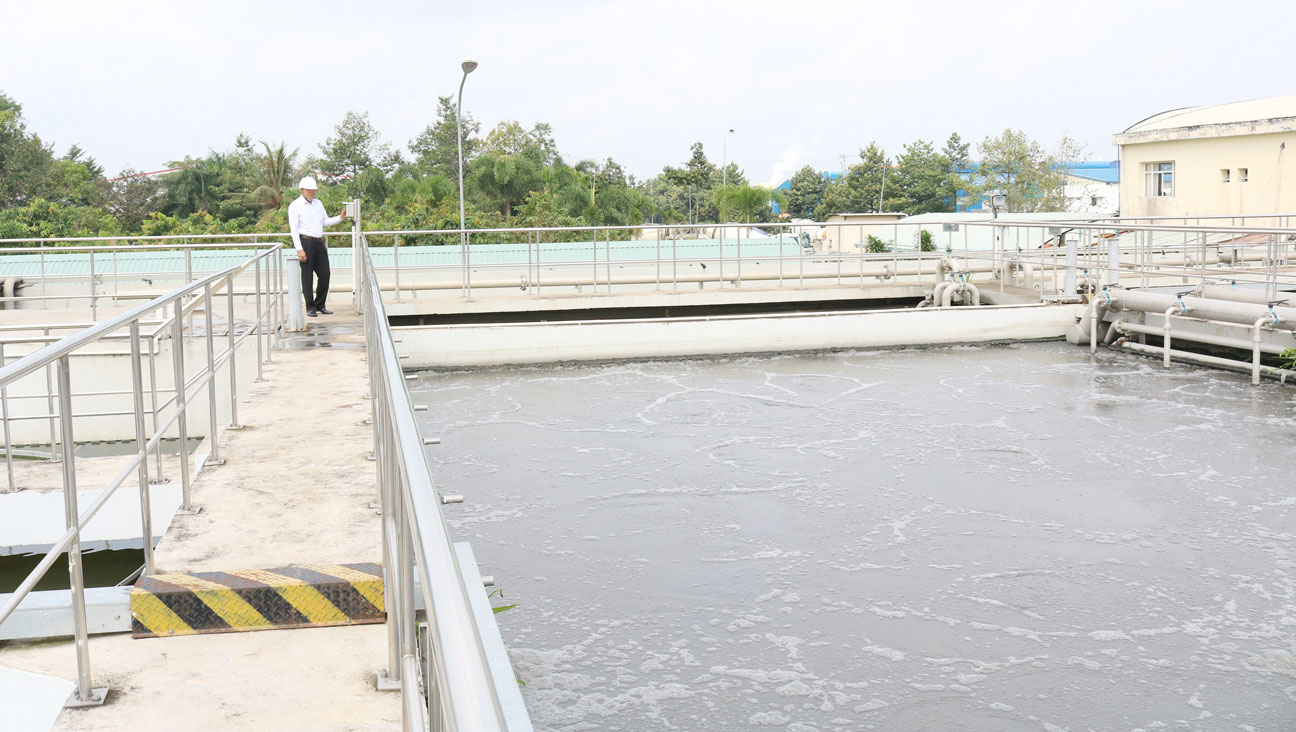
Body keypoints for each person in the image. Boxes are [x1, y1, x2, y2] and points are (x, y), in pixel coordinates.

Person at [288, 177, 347, 316]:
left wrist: (340, 217)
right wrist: (299, 249)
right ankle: (310, 306)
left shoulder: (318, 203)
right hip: (305, 242)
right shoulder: (295, 206)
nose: (311, 192)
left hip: (319, 242)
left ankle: (320, 304)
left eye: (313, 190)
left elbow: (325, 221)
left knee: (325, 273)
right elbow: (294, 229)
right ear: (301, 190)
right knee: (307, 276)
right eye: (308, 190)